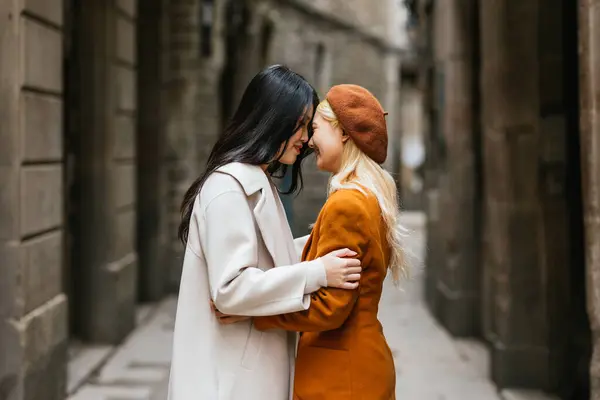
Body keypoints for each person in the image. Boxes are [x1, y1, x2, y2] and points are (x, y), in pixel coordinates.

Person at [167, 66, 362, 400]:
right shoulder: (228, 188)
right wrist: (318, 272)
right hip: (227, 383)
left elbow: (270, 256)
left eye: (308, 126)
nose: (306, 138)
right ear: (272, 118)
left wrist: (319, 242)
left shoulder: (256, 182)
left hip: (251, 374)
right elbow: (230, 288)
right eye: (300, 124)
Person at [222, 84, 406, 399]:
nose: (308, 140)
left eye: (315, 128)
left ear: (344, 134)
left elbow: (331, 308)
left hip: (340, 378)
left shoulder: (346, 203)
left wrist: (255, 312)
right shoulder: (368, 197)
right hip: (356, 369)